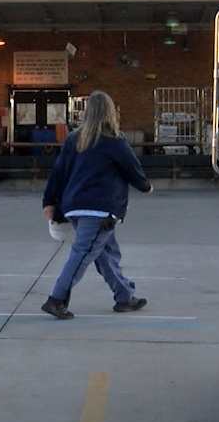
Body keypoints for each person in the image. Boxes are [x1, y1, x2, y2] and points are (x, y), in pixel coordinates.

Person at [40, 90, 154, 320]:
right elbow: (131, 168)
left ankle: (124, 297)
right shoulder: (114, 140)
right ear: (110, 112)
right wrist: (145, 186)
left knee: (106, 253)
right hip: (101, 210)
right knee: (82, 253)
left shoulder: (74, 139)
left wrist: (49, 200)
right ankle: (57, 299)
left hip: (75, 206)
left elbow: (59, 172)